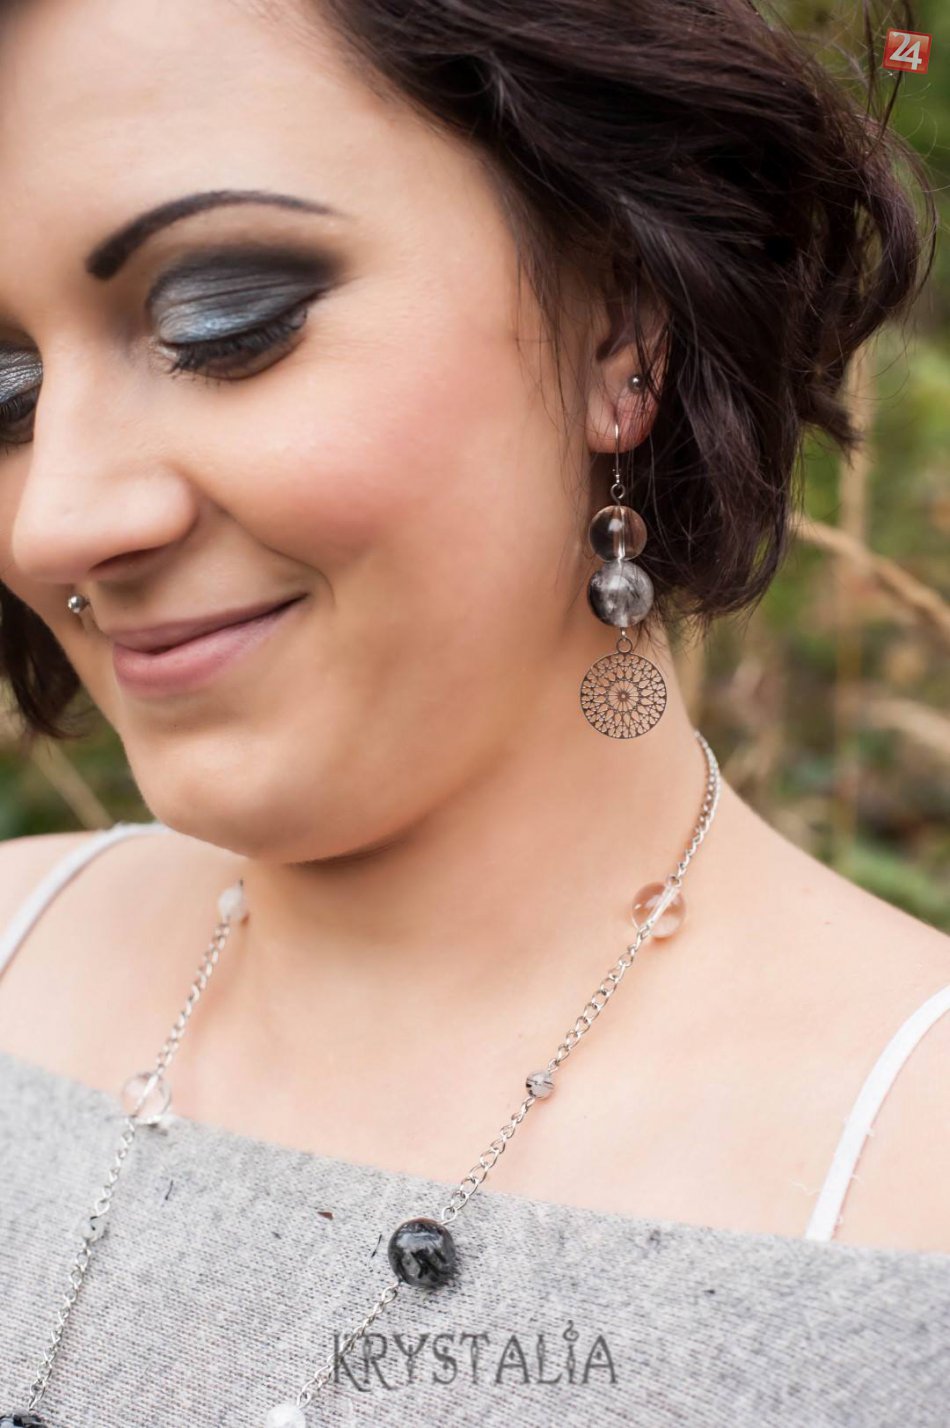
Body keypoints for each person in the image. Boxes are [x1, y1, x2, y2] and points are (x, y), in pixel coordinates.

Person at [0, 0, 946, 1424]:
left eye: (223, 321)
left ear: (620, 330)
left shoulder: (905, 1186)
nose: (57, 522)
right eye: (4, 391)